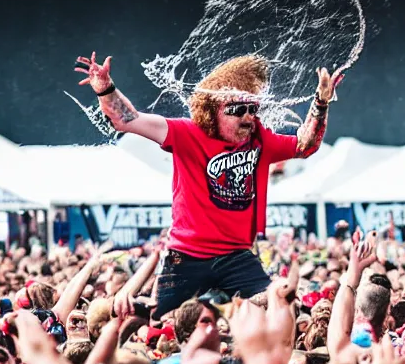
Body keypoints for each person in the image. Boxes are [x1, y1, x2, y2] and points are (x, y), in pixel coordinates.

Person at [75, 51, 344, 319]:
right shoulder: (186, 133)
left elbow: (304, 144)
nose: (248, 117)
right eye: (238, 110)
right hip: (187, 256)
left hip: (236, 256)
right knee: (156, 318)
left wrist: (321, 103)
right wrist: (105, 88)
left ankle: (232, 339)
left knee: (280, 305)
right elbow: (126, 119)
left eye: (252, 109)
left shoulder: (260, 139)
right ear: (213, 110)